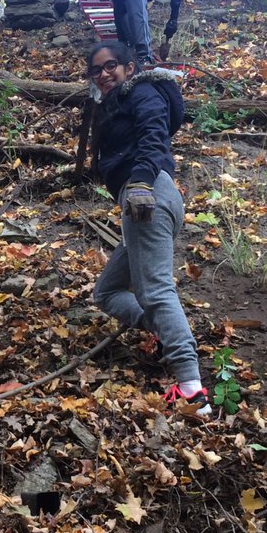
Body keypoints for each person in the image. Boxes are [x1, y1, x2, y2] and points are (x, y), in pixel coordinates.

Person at [86, 40, 211, 417]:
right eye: (96, 70)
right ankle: (163, 332)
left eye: (111, 66)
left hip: (148, 193)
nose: (104, 74)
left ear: (128, 66)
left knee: (154, 290)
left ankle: (191, 389)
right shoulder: (115, 102)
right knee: (106, 291)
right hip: (147, 197)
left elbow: (154, 133)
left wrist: (139, 182)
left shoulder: (142, 90)